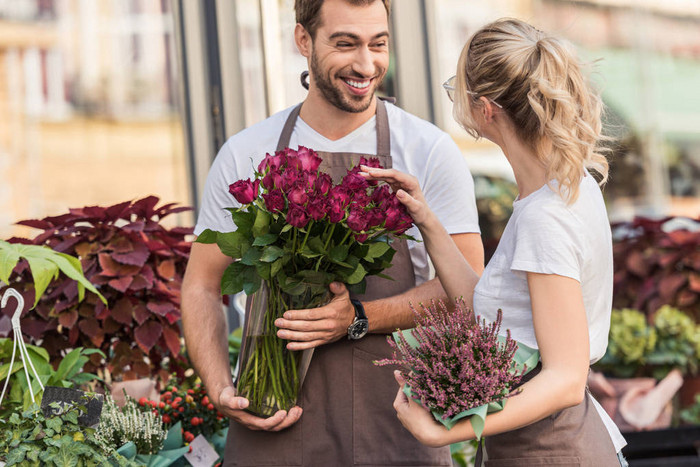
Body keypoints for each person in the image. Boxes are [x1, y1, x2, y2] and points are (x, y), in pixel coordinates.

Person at [181, 0, 484, 465]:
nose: (366, 64)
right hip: (275, 422)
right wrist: (221, 387)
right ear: (303, 40)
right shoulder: (247, 152)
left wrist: (359, 316)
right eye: (346, 44)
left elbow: (465, 290)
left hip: (397, 426)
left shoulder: (427, 151)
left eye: (378, 44)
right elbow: (202, 284)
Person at [362, 18, 627, 467]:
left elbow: (564, 377)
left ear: (486, 109)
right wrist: (426, 218)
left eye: (457, 91)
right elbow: (495, 314)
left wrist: (441, 430)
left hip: (554, 451)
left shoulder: (545, 218)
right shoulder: (562, 187)